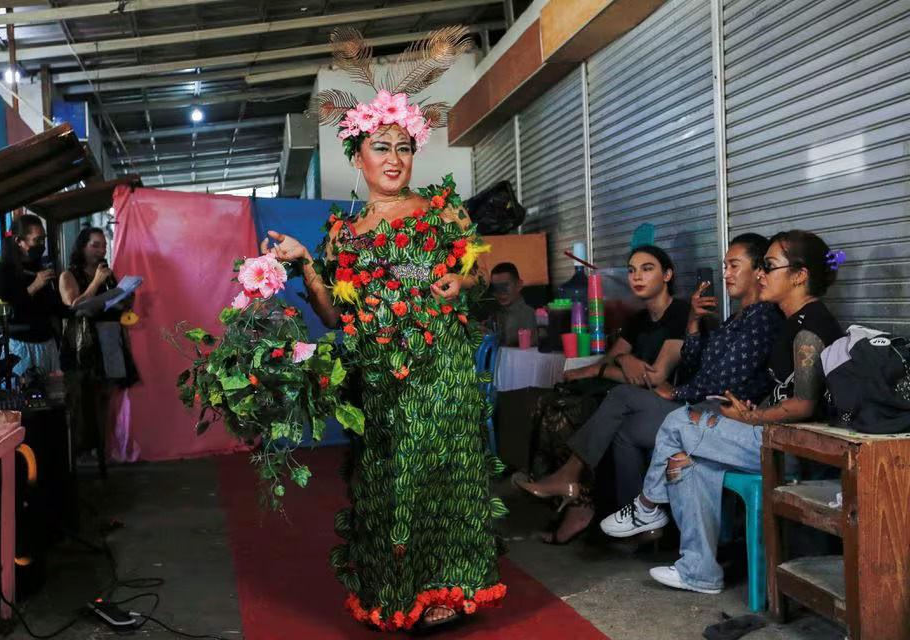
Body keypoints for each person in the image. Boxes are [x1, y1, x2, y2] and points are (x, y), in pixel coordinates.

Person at [259, 26, 503, 632]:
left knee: (438, 471)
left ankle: (447, 591)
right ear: (357, 156)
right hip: (377, 375)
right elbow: (337, 317)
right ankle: (394, 592)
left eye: (403, 147)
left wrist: (461, 284)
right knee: (386, 476)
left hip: (439, 367)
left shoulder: (442, 211)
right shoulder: (343, 234)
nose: (394, 159)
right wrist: (305, 263)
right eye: (380, 147)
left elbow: (479, 276)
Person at [599, 230, 844, 596]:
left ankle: (648, 505)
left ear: (799, 275)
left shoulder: (808, 327)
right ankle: (699, 572)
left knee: (678, 422)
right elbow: (783, 391)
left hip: (793, 450)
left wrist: (754, 417)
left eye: (769, 267)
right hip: (773, 434)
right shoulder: (788, 319)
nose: (761, 275)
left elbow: (805, 406)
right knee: (684, 462)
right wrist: (755, 409)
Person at [516, 234, 782, 544]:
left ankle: (582, 485)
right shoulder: (733, 317)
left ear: (760, 271)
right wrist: (695, 324)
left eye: (734, 266)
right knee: (619, 426)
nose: (725, 274)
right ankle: (638, 519)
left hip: (714, 413)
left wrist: (675, 392)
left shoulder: (761, 318)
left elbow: (715, 380)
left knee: (619, 399)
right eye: (724, 266)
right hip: (694, 403)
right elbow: (695, 363)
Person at [516, 244, 689, 542]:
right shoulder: (637, 320)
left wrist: (597, 371)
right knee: (558, 404)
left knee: (592, 407)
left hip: (668, 402)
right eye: (632, 270)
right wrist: (624, 360)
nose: (637, 276)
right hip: (633, 401)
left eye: (647, 269)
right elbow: (611, 358)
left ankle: (573, 490)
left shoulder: (681, 313)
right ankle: (576, 501)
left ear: (667, 274)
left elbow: (653, 377)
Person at [59, 227, 137, 473]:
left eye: (103, 245)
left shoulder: (108, 274)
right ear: (82, 247)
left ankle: (102, 450)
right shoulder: (68, 275)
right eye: (95, 245)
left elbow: (118, 303)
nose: (101, 250)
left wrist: (125, 296)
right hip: (83, 345)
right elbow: (74, 305)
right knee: (81, 398)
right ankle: (80, 451)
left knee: (105, 397)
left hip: (110, 339)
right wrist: (96, 282)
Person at [0, 214, 66, 376]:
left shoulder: (41, 267)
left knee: (52, 395)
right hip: (20, 345)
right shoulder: (3, 270)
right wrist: (34, 286)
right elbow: (4, 308)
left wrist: (77, 307)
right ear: (19, 242)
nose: (42, 245)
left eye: (43, 240)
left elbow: (53, 305)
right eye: (37, 240)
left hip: (46, 342)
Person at [488, 262, 536, 346]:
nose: (501, 292)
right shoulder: (495, 316)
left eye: (505, 286)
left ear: (519, 285)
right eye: (496, 288)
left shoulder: (532, 316)